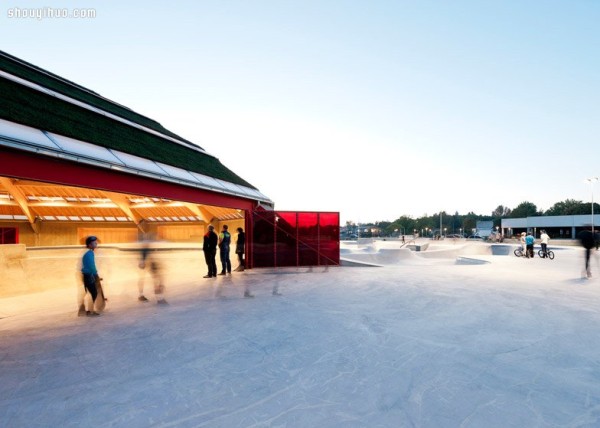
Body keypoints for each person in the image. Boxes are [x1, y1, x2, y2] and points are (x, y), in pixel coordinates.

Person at [138, 238, 168, 304]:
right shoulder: (145, 250)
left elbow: (146, 258)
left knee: (156, 279)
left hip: (149, 265)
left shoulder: (146, 250)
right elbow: (144, 259)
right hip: (149, 266)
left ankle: (158, 297)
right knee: (156, 279)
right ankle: (159, 298)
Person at [79, 235, 101, 316]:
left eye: (96, 242)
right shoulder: (89, 253)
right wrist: (95, 274)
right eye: (94, 243)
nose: (96, 244)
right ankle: (90, 311)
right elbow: (91, 265)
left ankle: (89, 310)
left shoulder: (89, 252)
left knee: (91, 293)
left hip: (88, 275)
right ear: (90, 245)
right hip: (89, 275)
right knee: (93, 293)